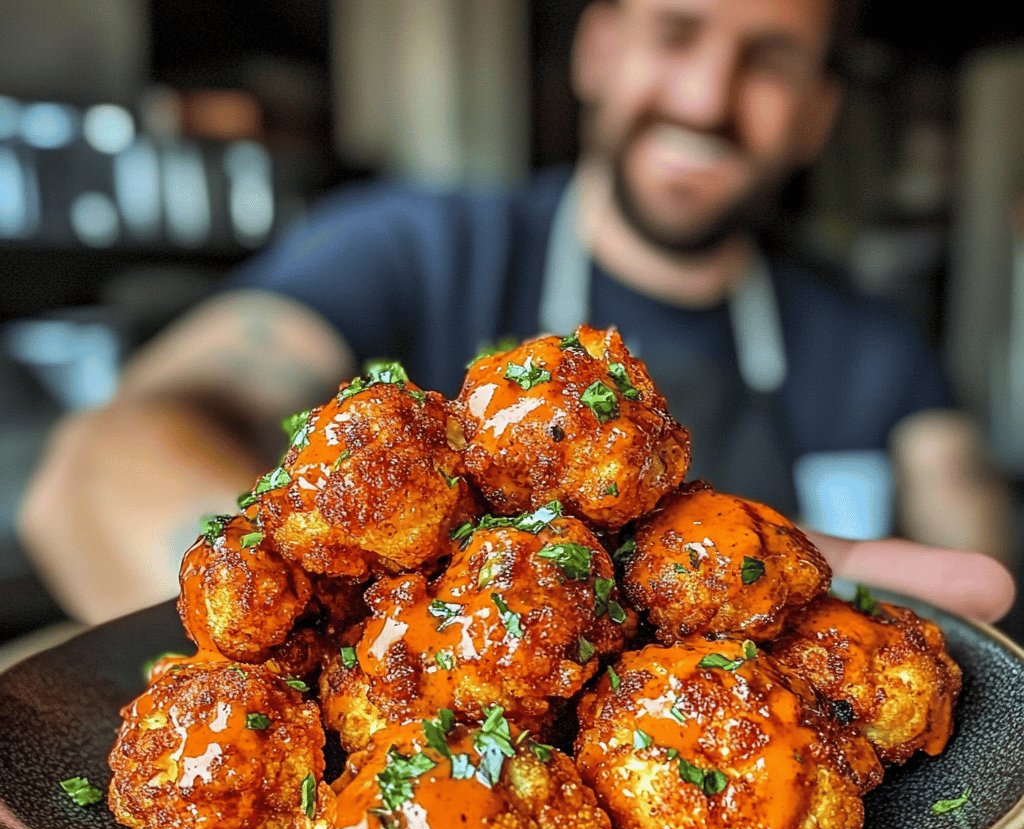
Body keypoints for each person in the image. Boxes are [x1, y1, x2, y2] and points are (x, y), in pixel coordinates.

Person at [17, 0, 1016, 625]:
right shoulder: (411, 246)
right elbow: (96, 466)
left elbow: (965, 519)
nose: (709, 95)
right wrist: (299, 617)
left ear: (815, 115)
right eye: (676, 33)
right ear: (598, 48)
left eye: (769, 59)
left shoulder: (873, 341)